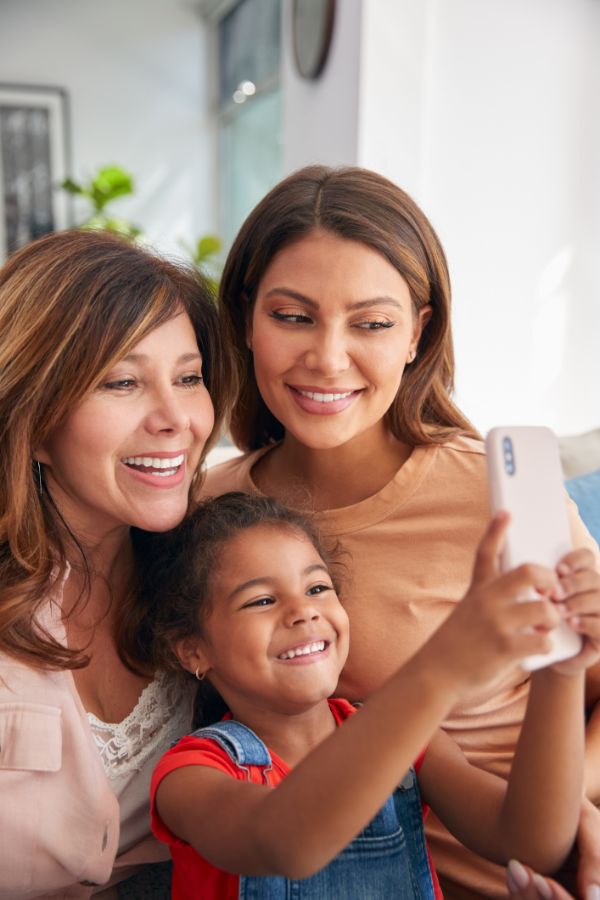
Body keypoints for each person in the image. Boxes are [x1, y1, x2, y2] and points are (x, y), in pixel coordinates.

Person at [202, 164, 600, 899]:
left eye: (372, 323)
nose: (326, 356)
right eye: (292, 316)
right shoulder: (209, 511)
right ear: (246, 320)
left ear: (418, 332)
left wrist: (579, 797)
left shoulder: (496, 492)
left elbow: (587, 671)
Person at [145, 491, 599, 899]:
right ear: (193, 651)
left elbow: (530, 842)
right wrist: (440, 669)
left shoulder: (409, 743)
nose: (304, 611)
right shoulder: (190, 775)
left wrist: (560, 670)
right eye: (261, 600)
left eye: (318, 588)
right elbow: (286, 842)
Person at [0, 229, 233, 899]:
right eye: (122, 381)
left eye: (188, 378)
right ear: (35, 416)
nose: (175, 419)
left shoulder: (209, 573)